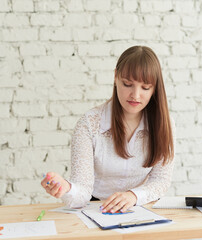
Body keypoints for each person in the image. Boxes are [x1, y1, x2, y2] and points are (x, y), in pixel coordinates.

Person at [41, 46, 175, 213]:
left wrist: (133, 196)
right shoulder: (89, 124)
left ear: (155, 89)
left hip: (141, 207)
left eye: (145, 88)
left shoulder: (164, 123)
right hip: (97, 209)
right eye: (127, 84)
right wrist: (66, 188)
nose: (135, 95)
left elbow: (160, 181)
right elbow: (82, 192)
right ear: (115, 77)